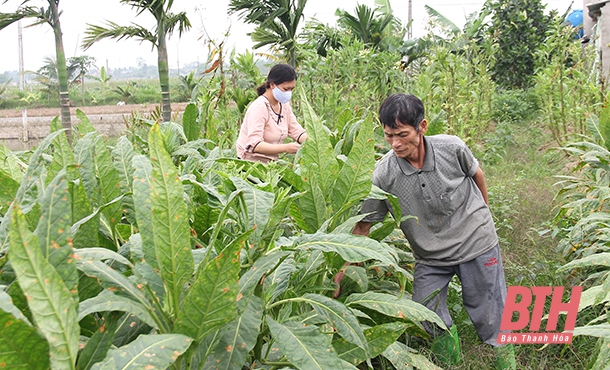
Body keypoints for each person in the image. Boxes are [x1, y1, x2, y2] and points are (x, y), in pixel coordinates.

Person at [350, 93, 516, 369]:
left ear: (422, 126)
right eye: (389, 136)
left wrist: (483, 214)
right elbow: (363, 225)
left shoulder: (451, 148)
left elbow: (477, 175)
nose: (395, 143)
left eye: (402, 135)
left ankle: (505, 364)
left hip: (475, 241)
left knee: (491, 309)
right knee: (426, 313)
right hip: (429, 254)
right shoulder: (384, 174)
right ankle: (450, 363)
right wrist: (345, 268)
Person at [236, 63, 308, 163]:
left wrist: (315, 143)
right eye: (286, 89)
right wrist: (286, 148)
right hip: (249, 165)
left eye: (292, 89)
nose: (289, 93)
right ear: (272, 84)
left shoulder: (284, 105)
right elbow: (253, 144)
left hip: (270, 165)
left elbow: (296, 131)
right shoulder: (260, 107)